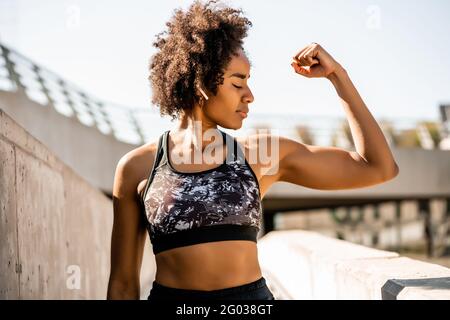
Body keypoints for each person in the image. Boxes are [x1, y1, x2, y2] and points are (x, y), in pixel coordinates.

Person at [106, 0, 399, 300]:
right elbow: (123, 286)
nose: (250, 96)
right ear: (202, 83)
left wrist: (338, 76)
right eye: (238, 83)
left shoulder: (261, 155)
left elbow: (377, 167)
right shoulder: (137, 168)